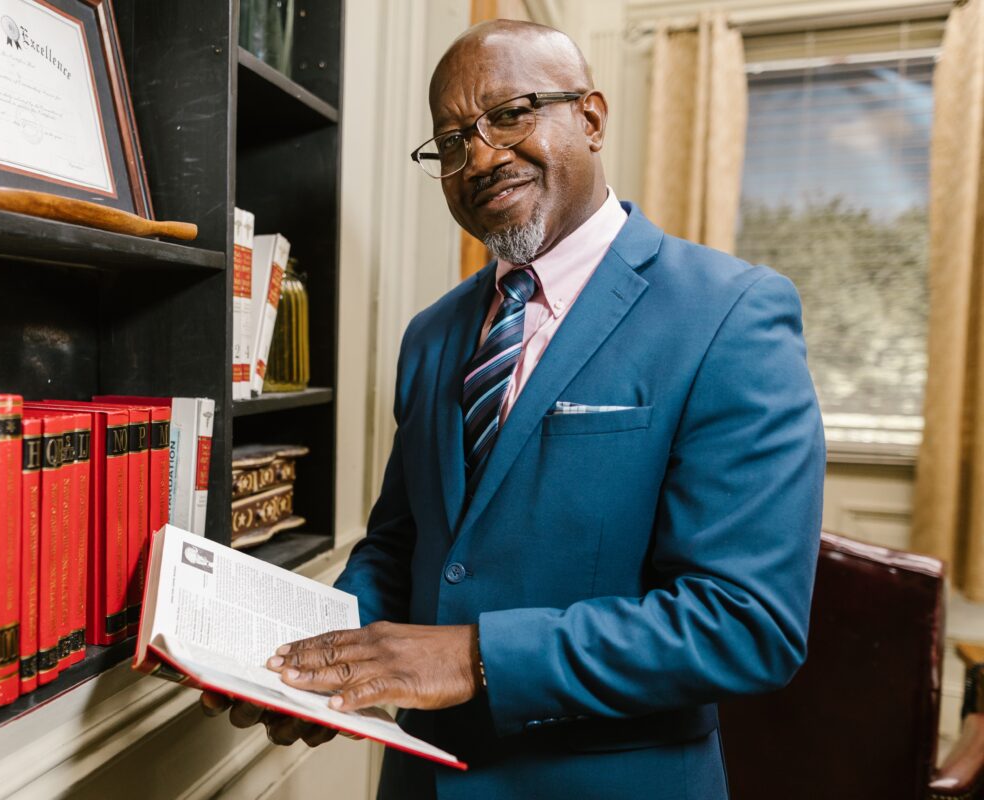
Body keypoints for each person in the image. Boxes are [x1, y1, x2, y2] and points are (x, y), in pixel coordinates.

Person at [203, 19, 825, 800]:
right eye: (453, 141)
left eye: (510, 113)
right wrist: (314, 664)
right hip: (421, 780)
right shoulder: (431, 335)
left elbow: (746, 623)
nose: (484, 157)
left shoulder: (731, 313)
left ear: (592, 119)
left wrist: (474, 656)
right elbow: (401, 547)